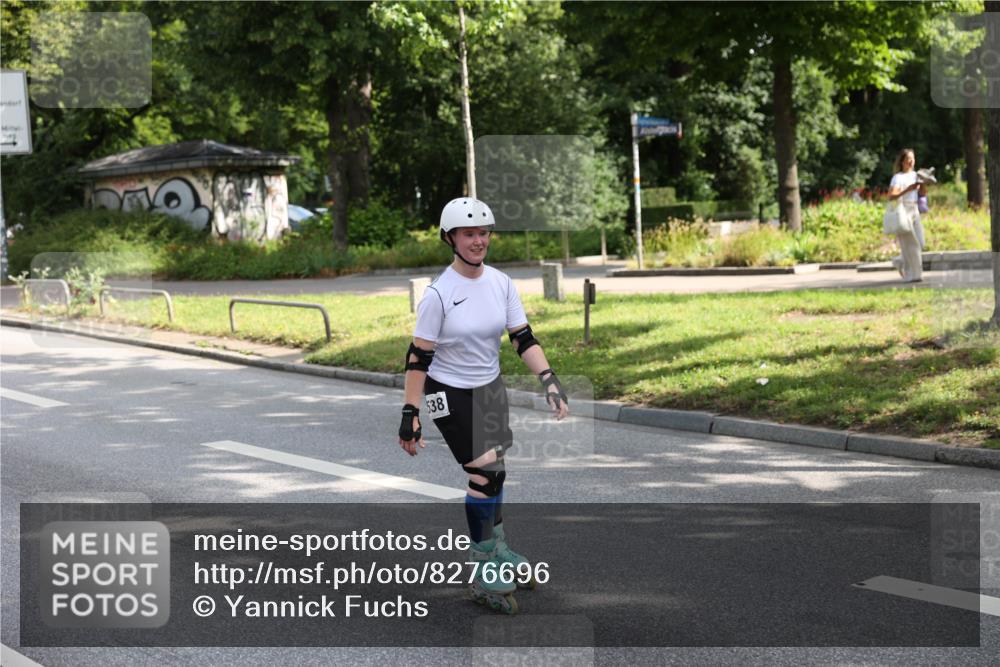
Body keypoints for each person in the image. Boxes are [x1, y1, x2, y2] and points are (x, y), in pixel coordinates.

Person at [397, 197, 569, 615]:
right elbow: (418, 358)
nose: (478, 241)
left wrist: (548, 380)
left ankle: (499, 550)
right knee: (484, 471)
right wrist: (410, 413)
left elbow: (522, 338)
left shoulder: (500, 282)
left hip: (489, 387)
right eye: (469, 234)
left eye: (483, 233)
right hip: (447, 391)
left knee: (498, 470)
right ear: (450, 238)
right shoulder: (439, 295)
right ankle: (481, 564)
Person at [887, 148, 929, 283]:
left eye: (913, 158)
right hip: (903, 210)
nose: (911, 161)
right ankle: (914, 275)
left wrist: (922, 183)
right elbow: (891, 196)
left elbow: (922, 194)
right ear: (902, 161)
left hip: (914, 210)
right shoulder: (898, 177)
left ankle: (899, 262)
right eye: (908, 159)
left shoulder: (916, 175)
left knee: (920, 243)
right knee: (909, 245)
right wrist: (907, 189)